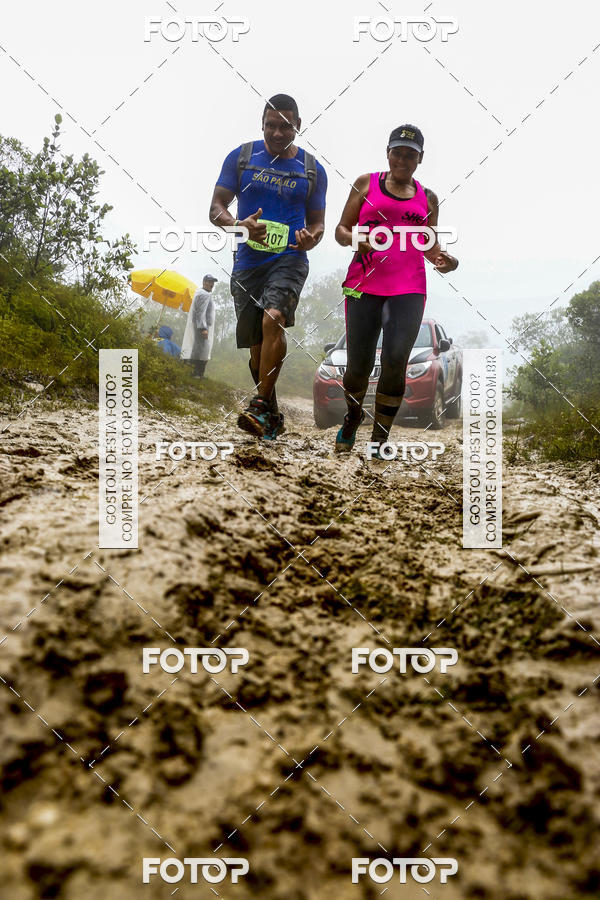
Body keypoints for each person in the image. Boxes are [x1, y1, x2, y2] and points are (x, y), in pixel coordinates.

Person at [334, 124, 459, 455]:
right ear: (387, 153)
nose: (402, 160)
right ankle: (353, 416)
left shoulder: (427, 198)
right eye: (397, 153)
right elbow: (341, 230)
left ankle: (380, 437)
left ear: (420, 159)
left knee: (395, 360)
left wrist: (445, 259)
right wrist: (355, 238)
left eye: (410, 155)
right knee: (358, 365)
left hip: (408, 290)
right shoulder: (366, 184)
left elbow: (429, 244)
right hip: (363, 285)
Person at [209, 93, 327, 440]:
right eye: (270, 126)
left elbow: (318, 223)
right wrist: (237, 225)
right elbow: (216, 208)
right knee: (256, 347)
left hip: (289, 259)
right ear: (262, 124)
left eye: (285, 126)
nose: (277, 133)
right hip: (247, 262)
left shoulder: (312, 169)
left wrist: (311, 239)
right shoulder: (242, 157)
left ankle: (259, 405)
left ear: (298, 126)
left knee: (273, 318)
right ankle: (271, 414)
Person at [181, 275, 217, 378]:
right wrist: (203, 328)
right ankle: (196, 373)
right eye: (209, 282)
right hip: (202, 327)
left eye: (213, 282)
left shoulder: (202, 293)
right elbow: (200, 313)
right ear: (204, 282)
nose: (212, 284)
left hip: (202, 326)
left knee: (201, 349)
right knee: (200, 349)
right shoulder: (204, 294)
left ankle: (197, 373)